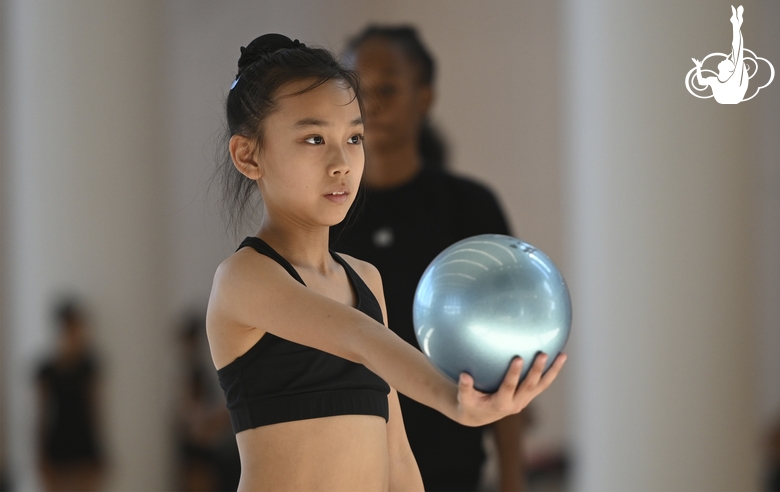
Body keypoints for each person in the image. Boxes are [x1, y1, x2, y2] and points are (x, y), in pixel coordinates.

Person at [206, 33, 565, 491]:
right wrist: (454, 399)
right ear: (248, 155)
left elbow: (396, 454)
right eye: (314, 138)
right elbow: (356, 336)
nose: (342, 163)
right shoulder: (245, 277)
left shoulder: (366, 280)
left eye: (354, 137)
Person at [330, 25, 528, 491]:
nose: (371, 104)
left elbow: (508, 352)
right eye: (358, 89)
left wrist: (513, 479)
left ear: (424, 97)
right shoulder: (323, 213)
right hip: (343, 469)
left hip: (449, 465)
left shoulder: (469, 207)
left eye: (388, 88)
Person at [35, 299, 105, 492]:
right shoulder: (46, 370)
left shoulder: (88, 367)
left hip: (84, 443)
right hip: (57, 444)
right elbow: (41, 414)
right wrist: (40, 454)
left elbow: (94, 408)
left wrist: (100, 448)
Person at [692, 5, 748, 104]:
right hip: (730, 97)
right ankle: (736, 23)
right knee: (737, 51)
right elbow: (701, 82)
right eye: (728, 61)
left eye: (727, 61)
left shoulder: (731, 78)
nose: (725, 59)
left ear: (729, 69)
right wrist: (698, 67)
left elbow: (737, 50)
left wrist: (698, 67)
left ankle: (736, 23)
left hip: (732, 96)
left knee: (737, 50)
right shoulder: (716, 80)